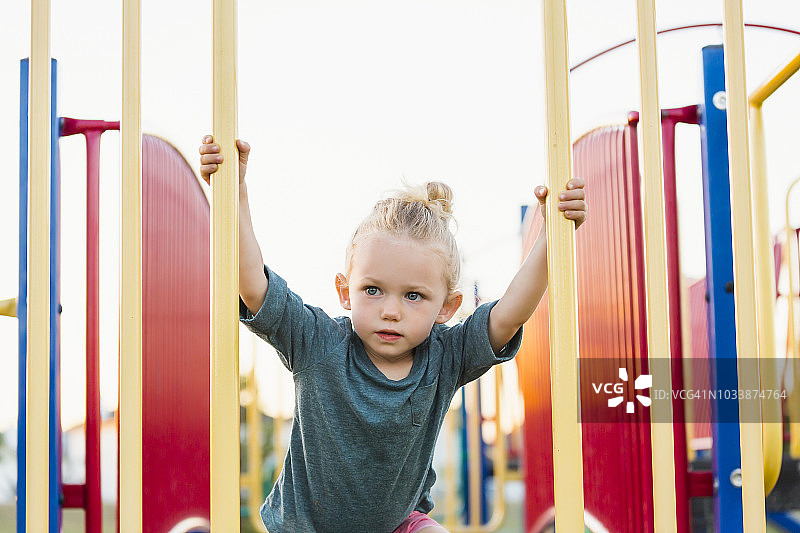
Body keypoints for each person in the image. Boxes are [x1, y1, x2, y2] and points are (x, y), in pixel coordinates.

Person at [198, 135, 586, 533]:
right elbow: (253, 284)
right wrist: (236, 191)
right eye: (373, 289)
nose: (390, 310)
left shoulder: (444, 358)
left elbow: (509, 314)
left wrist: (550, 235)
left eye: (413, 296)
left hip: (398, 525)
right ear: (345, 291)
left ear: (447, 308)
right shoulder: (319, 343)